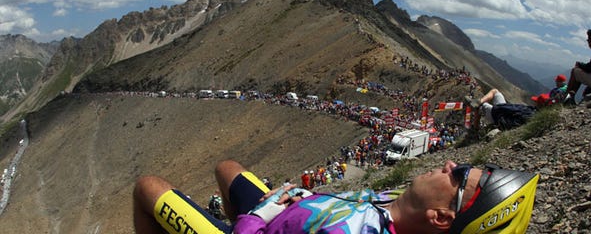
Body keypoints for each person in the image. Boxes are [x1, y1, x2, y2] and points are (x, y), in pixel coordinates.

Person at [133, 159, 539, 234]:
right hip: (283, 211)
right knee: (228, 167)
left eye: (460, 176)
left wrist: (256, 217)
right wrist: (301, 197)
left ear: (441, 217)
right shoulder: (401, 202)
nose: (449, 164)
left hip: (256, 226)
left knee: (147, 187)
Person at [564, 28, 591, 104]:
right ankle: (570, 97)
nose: (588, 42)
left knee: (575, 71)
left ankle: (566, 98)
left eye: (588, 40)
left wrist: (580, 65)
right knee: (578, 72)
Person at [467, 88, 536, 129]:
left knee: (480, 107)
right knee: (495, 91)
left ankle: (475, 128)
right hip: (502, 110)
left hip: (497, 115)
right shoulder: (533, 112)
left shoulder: (530, 112)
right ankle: (479, 102)